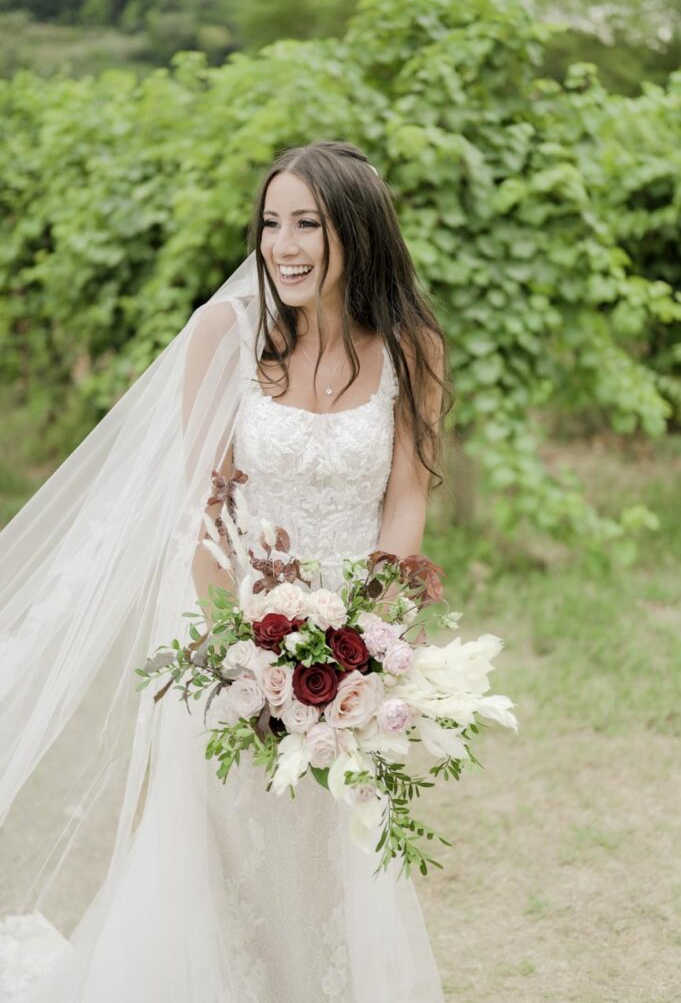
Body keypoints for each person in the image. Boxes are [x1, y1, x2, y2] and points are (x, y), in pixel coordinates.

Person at [0, 140, 451, 1002]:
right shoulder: (226, 335)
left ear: (355, 231)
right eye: (272, 222)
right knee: (225, 847)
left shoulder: (409, 347)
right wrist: (245, 647)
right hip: (231, 636)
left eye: (308, 224)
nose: (283, 244)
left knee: (333, 848)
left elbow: (403, 501)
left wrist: (367, 636)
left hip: (350, 649)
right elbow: (202, 506)